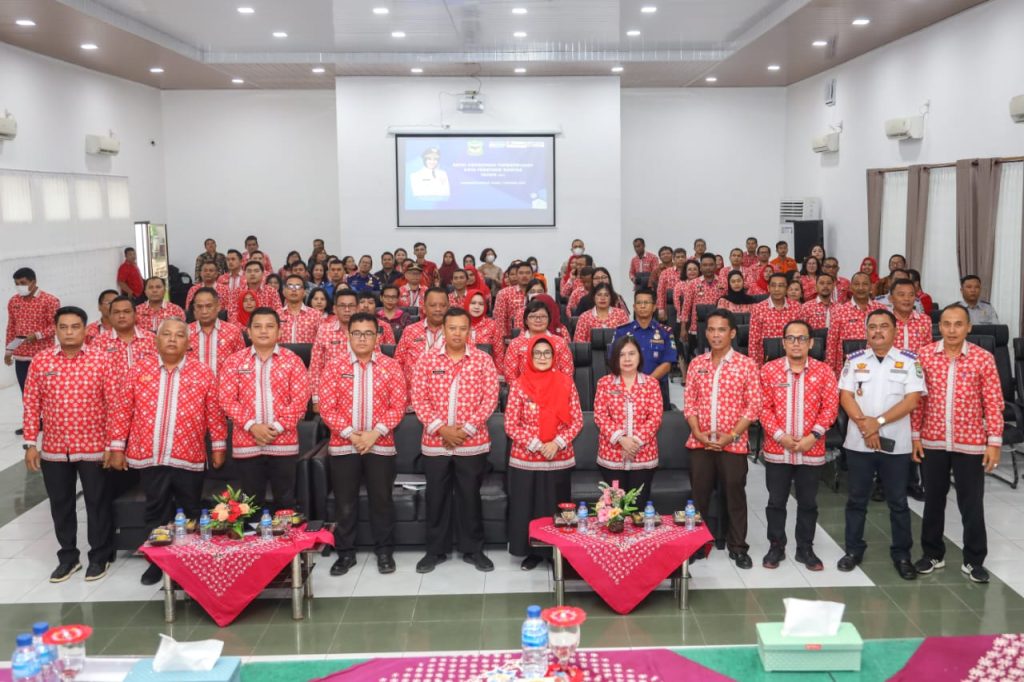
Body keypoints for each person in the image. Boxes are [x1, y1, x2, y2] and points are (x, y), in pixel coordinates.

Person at [106, 318, 226, 585]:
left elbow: (215, 415)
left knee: (191, 510)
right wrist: (116, 447)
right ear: (156, 340)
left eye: (179, 335)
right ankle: (157, 563)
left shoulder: (203, 372)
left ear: (188, 341)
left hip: (189, 455)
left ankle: (190, 559)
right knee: (155, 510)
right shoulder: (138, 370)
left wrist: (218, 447)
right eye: (167, 334)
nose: (173, 339)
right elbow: (122, 411)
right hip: (150, 455)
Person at [22, 306, 116, 582]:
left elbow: (114, 405)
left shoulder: (101, 360)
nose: (69, 332)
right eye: (63, 327)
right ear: (56, 329)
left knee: (97, 503)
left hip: (94, 448)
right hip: (54, 449)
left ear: (86, 329)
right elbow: (31, 404)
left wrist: (113, 444)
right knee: (61, 504)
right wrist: (30, 443)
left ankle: (99, 557)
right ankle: (68, 557)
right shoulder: (41, 361)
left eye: (75, 326)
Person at [912, 304, 1003, 584]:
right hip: (933, 440)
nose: (952, 330)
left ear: (968, 327)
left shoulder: (983, 358)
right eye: (947, 324)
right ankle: (932, 554)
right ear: (939, 327)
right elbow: (917, 400)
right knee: (933, 500)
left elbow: (993, 402)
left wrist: (994, 442)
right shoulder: (924, 356)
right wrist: (915, 436)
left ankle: (974, 560)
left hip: (971, 443)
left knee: (971, 503)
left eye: (958, 324)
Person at [410, 307, 500, 574]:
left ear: (469, 331)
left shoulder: (482, 360)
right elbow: (419, 398)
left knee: (469, 496)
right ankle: (435, 551)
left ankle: (473, 550)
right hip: (435, 442)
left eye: (463, 328)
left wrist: (466, 429)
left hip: (472, 442)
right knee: (436, 496)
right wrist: (442, 430)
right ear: (444, 330)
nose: (458, 333)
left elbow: (490, 398)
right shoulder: (426, 360)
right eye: (453, 328)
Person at [837, 309, 924, 580]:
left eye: (884, 326)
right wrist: (866, 425)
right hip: (859, 442)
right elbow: (846, 396)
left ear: (895, 331)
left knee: (898, 501)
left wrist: (880, 421)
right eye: (872, 326)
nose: (877, 331)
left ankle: (902, 554)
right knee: (856, 500)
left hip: (895, 444)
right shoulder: (854, 360)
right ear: (866, 331)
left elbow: (912, 400)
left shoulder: (909, 361)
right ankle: (853, 549)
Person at [318, 312, 407, 576]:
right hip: (344, 445)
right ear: (348, 335)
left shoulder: (391, 366)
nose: (362, 338)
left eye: (368, 333)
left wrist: (373, 434)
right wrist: (352, 435)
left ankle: (384, 552)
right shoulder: (334, 366)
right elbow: (327, 407)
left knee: (382, 501)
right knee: (345, 503)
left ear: (378, 336)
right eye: (357, 333)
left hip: (380, 444)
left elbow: (397, 405)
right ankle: (345, 554)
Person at [759, 320, 838, 571]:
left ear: (811, 343)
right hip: (777, 448)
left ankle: (805, 548)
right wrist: (780, 435)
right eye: (791, 338)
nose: (796, 343)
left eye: (801, 338)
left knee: (808, 502)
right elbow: (763, 407)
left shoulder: (824, 371)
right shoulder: (769, 371)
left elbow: (830, 408)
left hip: (811, 448)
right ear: (783, 342)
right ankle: (776, 545)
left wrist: (813, 436)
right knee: (776, 500)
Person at [684, 309, 761, 568]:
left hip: (734, 443)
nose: (716, 335)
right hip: (700, 442)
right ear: (706, 333)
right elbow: (690, 403)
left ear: (732, 333)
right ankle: (696, 544)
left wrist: (732, 435)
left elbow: (753, 407)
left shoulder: (746, 364)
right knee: (699, 496)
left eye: (721, 330)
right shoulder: (697, 364)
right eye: (711, 330)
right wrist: (696, 431)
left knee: (734, 495)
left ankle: (738, 547)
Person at [219, 308, 311, 514]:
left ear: (279, 332)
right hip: (246, 443)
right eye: (257, 326)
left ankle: (285, 545)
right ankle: (255, 545)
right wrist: (253, 427)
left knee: (285, 500)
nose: (263, 331)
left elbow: (300, 400)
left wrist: (275, 428)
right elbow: (227, 399)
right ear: (248, 332)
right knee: (249, 504)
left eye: (270, 326)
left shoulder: (293, 360)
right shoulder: (234, 361)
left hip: (284, 443)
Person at [505, 336, 583, 570]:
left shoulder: (566, 382)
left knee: (554, 506)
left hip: (558, 457)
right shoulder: (519, 384)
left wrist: (556, 443)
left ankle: (555, 551)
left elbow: (577, 420)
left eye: (547, 353)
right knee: (527, 507)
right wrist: (538, 445)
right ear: (529, 356)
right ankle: (532, 552)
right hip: (526, 458)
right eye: (537, 353)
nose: (542, 357)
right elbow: (510, 423)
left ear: (554, 357)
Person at [593, 336, 664, 504]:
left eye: (631, 354)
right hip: (612, 456)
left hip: (643, 456)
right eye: (621, 355)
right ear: (615, 358)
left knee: (638, 508)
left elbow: (655, 417)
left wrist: (635, 442)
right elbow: (600, 415)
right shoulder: (605, 383)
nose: (627, 359)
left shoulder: (651, 384)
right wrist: (621, 440)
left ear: (639, 356)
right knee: (614, 510)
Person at [5, 268, 61, 416]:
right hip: (21, 357)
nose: (19, 287)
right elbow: (11, 327)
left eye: (23, 283)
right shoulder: (14, 301)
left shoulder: (50, 301)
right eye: (16, 284)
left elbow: (56, 326)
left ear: (34, 281)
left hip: (43, 356)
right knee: (26, 391)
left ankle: (49, 420)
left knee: (46, 391)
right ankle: (32, 422)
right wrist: (8, 351)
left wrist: (37, 335)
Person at [612, 289, 678, 410]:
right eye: (639, 303)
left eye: (646, 303)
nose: (642, 306)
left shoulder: (665, 332)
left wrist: (645, 383)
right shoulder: (621, 331)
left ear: (654, 307)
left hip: (657, 388)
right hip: (626, 387)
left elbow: (667, 364)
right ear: (634, 307)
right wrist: (633, 383)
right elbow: (614, 359)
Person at [826, 272, 887, 375]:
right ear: (851, 287)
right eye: (857, 284)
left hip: (877, 366)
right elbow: (832, 344)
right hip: (848, 368)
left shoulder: (881, 309)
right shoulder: (840, 311)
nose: (861, 287)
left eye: (865, 284)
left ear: (871, 287)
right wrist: (830, 372)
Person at [310, 290, 362, 408]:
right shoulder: (324, 330)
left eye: (351, 306)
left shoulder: (367, 331)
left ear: (358, 308)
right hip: (332, 393)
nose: (347, 310)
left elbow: (377, 366)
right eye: (342, 306)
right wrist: (316, 399)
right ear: (334, 309)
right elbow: (315, 367)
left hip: (361, 391)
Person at [505, 298, 574, 383]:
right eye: (533, 316)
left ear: (549, 319)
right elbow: (510, 375)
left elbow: (567, 373)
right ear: (526, 320)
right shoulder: (515, 344)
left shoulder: (560, 342)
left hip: (555, 390)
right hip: (523, 392)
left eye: (543, 316)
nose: (538, 320)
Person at [394, 288, 450, 383]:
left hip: (445, 391)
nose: (438, 309)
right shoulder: (410, 331)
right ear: (424, 308)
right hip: (413, 391)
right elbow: (398, 363)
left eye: (443, 305)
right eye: (433, 305)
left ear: (448, 307)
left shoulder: (458, 332)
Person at [188, 288, 245, 376]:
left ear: (218, 306)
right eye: (199, 306)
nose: (204, 311)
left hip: (224, 387)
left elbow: (242, 365)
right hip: (193, 388)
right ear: (194, 309)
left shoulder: (233, 332)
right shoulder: (185, 333)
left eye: (209, 306)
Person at [748, 273, 801, 367]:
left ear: (787, 288)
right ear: (768, 288)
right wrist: (755, 367)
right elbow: (753, 342)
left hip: (792, 360)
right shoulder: (758, 308)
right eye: (773, 285)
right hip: (766, 362)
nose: (777, 289)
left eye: (781, 286)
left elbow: (802, 336)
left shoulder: (796, 307)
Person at [98, 295, 157, 376]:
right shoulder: (99, 342)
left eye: (126, 311)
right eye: (116, 312)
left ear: (135, 314)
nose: (121, 316)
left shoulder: (152, 339)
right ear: (110, 316)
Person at [679, 254, 726, 345]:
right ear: (700, 267)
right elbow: (686, 307)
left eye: (711, 265)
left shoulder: (723, 282)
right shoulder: (693, 283)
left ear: (716, 266)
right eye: (705, 265)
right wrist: (683, 327)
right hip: (697, 326)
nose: (708, 268)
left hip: (718, 324)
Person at [467, 291, 505, 376]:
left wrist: (497, 375)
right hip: (463, 373)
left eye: (481, 304)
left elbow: (499, 354)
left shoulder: (492, 325)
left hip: (487, 374)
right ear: (466, 304)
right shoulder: (460, 323)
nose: (477, 307)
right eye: (473, 303)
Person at [279, 274, 324, 344]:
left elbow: (323, 341)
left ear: (304, 293)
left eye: (298, 286)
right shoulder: (276, 315)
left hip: (308, 354)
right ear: (284, 292)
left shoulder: (316, 315)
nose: (294, 290)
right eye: (290, 286)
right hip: (282, 354)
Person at [493, 261, 533, 339]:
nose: (524, 275)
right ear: (516, 275)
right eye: (521, 273)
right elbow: (500, 323)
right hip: (511, 339)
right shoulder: (504, 293)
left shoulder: (538, 292)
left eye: (528, 273)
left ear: (532, 276)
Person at [656, 248, 688, 321]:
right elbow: (661, 291)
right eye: (678, 257)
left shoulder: (690, 272)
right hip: (670, 307)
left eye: (682, 257)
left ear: (686, 258)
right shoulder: (665, 273)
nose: (680, 259)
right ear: (673, 259)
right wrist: (661, 309)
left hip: (687, 305)